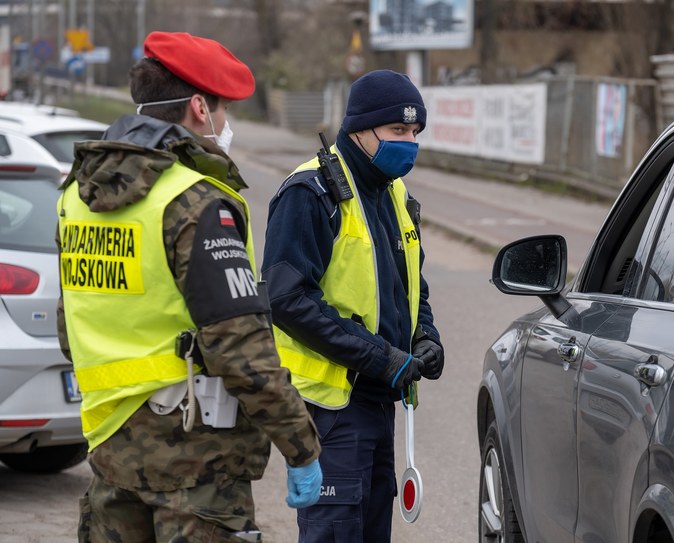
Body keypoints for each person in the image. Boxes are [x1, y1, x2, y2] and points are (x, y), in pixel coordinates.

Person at [56, 31, 322, 541]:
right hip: (197, 467)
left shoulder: (77, 195)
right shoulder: (195, 202)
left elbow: (72, 329)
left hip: (111, 449)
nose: (226, 124)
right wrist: (300, 446)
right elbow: (240, 347)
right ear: (200, 107)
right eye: (223, 110)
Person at [261, 69, 444, 541]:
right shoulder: (310, 191)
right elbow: (286, 298)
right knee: (336, 532)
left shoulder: (395, 193)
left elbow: (410, 284)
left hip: (382, 401)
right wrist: (380, 357)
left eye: (415, 132)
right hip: (332, 408)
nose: (409, 143)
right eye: (397, 131)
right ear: (360, 130)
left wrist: (424, 336)